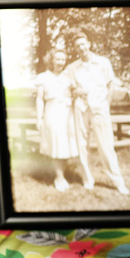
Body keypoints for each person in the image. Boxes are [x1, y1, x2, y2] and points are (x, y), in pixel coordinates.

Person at [64, 32, 129, 195]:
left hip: (100, 108)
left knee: (106, 146)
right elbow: (68, 89)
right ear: (75, 49)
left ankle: (117, 181)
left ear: (89, 44)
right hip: (81, 109)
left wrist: (107, 103)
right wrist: (76, 91)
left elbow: (111, 84)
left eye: (83, 44)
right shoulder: (72, 68)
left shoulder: (102, 62)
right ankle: (88, 179)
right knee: (82, 146)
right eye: (78, 46)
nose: (81, 47)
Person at [34, 48, 78, 191]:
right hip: (52, 112)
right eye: (58, 59)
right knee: (56, 145)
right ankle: (59, 177)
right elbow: (40, 99)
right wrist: (39, 118)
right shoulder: (43, 77)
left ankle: (62, 175)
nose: (61, 62)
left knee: (65, 145)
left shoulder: (68, 77)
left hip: (68, 113)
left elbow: (75, 93)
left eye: (63, 59)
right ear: (51, 60)